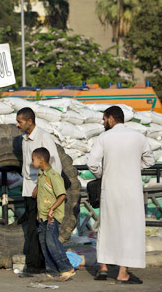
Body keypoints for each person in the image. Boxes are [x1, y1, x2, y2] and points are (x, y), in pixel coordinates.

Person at [87, 105, 154, 284]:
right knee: (130, 230)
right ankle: (123, 272)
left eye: (104, 119)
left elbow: (92, 162)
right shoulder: (138, 137)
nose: (103, 122)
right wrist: (134, 167)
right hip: (131, 191)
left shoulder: (104, 137)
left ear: (110, 118)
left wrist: (103, 173)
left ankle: (103, 267)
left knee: (107, 227)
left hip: (110, 190)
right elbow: (150, 160)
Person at [16, 107, 62, 276]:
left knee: (39, 228)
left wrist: (42, 185)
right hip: (28, 188)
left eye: (20, 121)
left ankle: (36, 265)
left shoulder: (43, 137)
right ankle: (37, 264)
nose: (17, 124)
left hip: (40, 189)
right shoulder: (24, 138)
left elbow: (55, 164)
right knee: (32, 227)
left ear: (30, 121)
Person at [32, 147, 75, 280]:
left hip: (52, 215)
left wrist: (52, 209)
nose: (32, 162)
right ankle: (52, 270)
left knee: (52, 242)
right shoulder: (41, 175)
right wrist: (40, 212)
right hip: (43, 215)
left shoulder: (54, 176)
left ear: (41, 160)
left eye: (33, 160)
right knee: (43, 242)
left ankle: (67, 268)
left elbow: (62, 195)